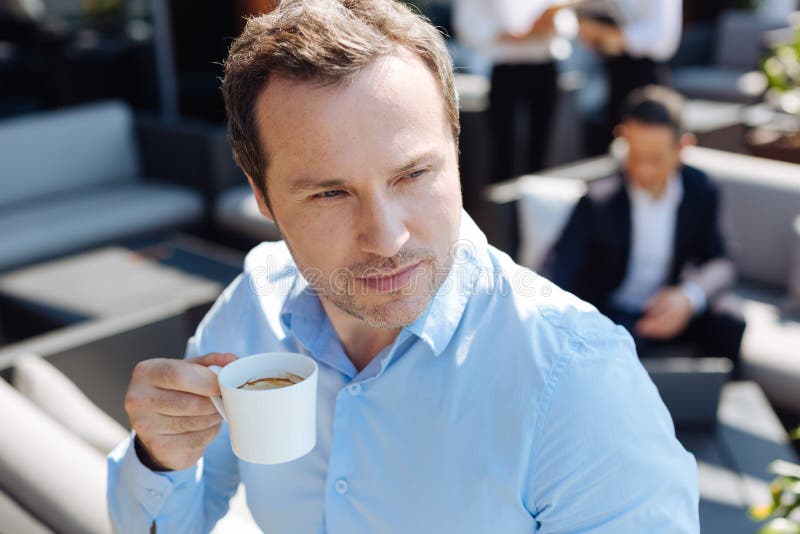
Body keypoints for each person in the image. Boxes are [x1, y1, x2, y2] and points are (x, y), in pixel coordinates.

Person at [107, 2, 699, 532]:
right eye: (329, 194)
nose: (387, 238)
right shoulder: (253, 306)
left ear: (457, 154)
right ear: (262, 197)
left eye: (413, 175)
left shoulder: (576, 381)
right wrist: (159, 457)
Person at [545, 85, 745, 371]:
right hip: (614, 315)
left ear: (683, 148)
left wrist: (688, 297)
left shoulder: (702, 189)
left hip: (671, 305)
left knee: (730, 319)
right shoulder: (598, 199)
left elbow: (723, 260)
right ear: (623, 138)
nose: (642, 171)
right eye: (634, 156)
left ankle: (720, 403)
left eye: (655, 159)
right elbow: (557, 267)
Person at [453, 0, 575, 181]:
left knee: (541, 149)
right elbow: (467, 26)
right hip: (505, 69)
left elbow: (567, 24)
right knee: (504, 147)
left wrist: (544, 27)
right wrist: (509, 34)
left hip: (544, 67)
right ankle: (504, 207)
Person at [574, 0, 682, 153]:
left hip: (645, 75)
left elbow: (661, 38)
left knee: (646, 149)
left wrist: (604, 34)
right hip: (611, 72)